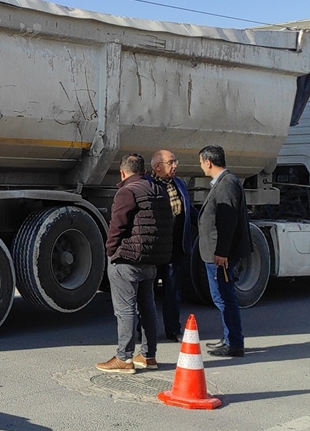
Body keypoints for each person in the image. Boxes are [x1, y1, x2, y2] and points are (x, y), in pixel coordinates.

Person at [97, 153, 173, 374]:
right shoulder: (159, 190)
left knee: (125, 309)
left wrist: (111, 251)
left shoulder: (127, 192)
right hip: (151, 258)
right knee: (147, 307)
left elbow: (117, 226)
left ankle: (124, 358)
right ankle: (148, 356)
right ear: (144, 171)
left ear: (122, 172)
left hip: (128, 258)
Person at [198, 145, 251, 357]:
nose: (201, 166)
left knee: (223, 297)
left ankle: (234, 343)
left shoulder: (227, 183)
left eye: (201, 162)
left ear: (208, 162)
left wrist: (222, 252)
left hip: (220, 254)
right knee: (223, 295)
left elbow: (227, 221)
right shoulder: (225, 182)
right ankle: (229, 337)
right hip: (219, 251)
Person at [150, 150, 196, 342]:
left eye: (175, 161)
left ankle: (173, 329)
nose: (175, 165)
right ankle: (145, 330)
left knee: (173, 291)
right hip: (154, 250)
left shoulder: (179, 183)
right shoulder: (148, 185)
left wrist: (206, 222)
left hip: (176, 248)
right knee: (148, 292)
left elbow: (188, 210)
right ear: (157, 167)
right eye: (171, 162)